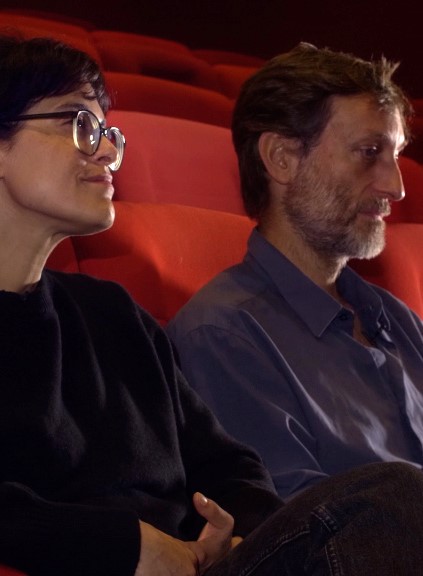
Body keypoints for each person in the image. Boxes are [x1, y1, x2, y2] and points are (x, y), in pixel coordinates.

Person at [2, 34, 423, 576]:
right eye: (78, 124)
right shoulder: (220, 327)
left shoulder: (111, 311)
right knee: (397, 496)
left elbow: (229, 464)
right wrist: (123, 545)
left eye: (108, 132)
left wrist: (240, 531)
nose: (107, 151)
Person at [167, 42, 423, 501]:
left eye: (396, 154)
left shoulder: (398, 319)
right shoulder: (223, 336)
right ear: (281, 158)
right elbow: (301, 531)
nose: (396, 187)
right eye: (369, 152)